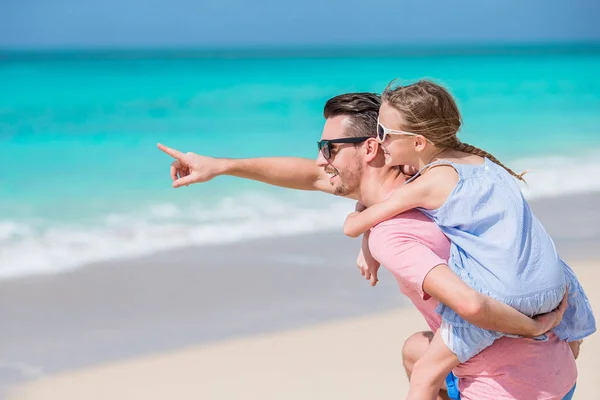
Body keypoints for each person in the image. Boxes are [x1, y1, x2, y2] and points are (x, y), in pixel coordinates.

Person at [157, 92, 582, 400]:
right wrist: (222, 166)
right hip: (556, 371)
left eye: (328, 148)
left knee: (427, 368)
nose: (321, 160)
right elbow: (308, 175)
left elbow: (470, 306)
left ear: (373, 147)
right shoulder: (424, 183)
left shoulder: (394, 233)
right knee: (416, 351)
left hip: (511, 388)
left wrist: (531, 327)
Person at [339, 81, 595, 400]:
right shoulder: (485, 165)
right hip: (555, 287)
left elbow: (364, 218)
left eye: (385, 133)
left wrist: (361, 228)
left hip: (503, 297)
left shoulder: (431, 181)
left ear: (418, 142)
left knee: (424, 374)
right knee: (418, 350)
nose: (379, 140)